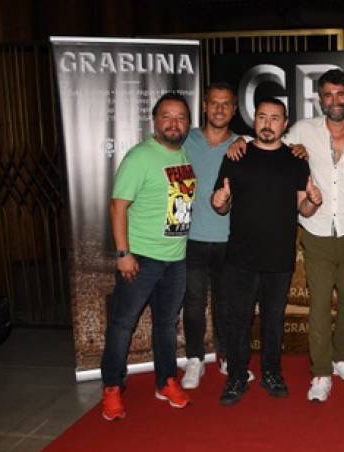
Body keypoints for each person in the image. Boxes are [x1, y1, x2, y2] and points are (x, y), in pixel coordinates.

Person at [227, 69, 344, 403]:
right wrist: (238, 140)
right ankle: (321, 372)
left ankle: (341, 356)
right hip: (316, 229)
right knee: (320, 305)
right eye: (328, 94)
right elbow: (267, 139)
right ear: (320, 99)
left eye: (341, 94)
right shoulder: (303, 130)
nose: (335, 100)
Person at [212, 98, 322, 406]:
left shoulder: (296, 159)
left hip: (279, 258)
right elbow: (221, 203)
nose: (268, 123)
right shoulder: (236, 155)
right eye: (262, 117)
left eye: (275, 118)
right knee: (238, 322)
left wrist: (313, 201)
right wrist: (219, 202)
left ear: (284, 124)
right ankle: (236, 376)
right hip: (240, 257)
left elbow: (304, 209)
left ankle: (272, 373)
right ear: (254, 120)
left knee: (274, 322)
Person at [100, 92, 195, 421]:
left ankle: (166, 381)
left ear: (188, 123)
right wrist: (123, 253)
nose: (174, 123)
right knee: (123, 324)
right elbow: (118, 206)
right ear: (155, 121)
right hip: (141, 258)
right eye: (167, 116)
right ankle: (112, 387)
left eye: (180, 117)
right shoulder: (139, 157)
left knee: (166, 324)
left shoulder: (183, 153)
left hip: (176, 258)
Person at [181, 82, 248, 389]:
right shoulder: (185, 139)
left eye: (226, 104)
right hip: (190, 238)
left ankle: (227, 359)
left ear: (234, 110)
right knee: (194, 303)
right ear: (205, 106)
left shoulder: (243, 145)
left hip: (229, 240)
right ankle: (195, 359)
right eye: (214, 103)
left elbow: (278, 147)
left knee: (226, 305)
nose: (220, 109)